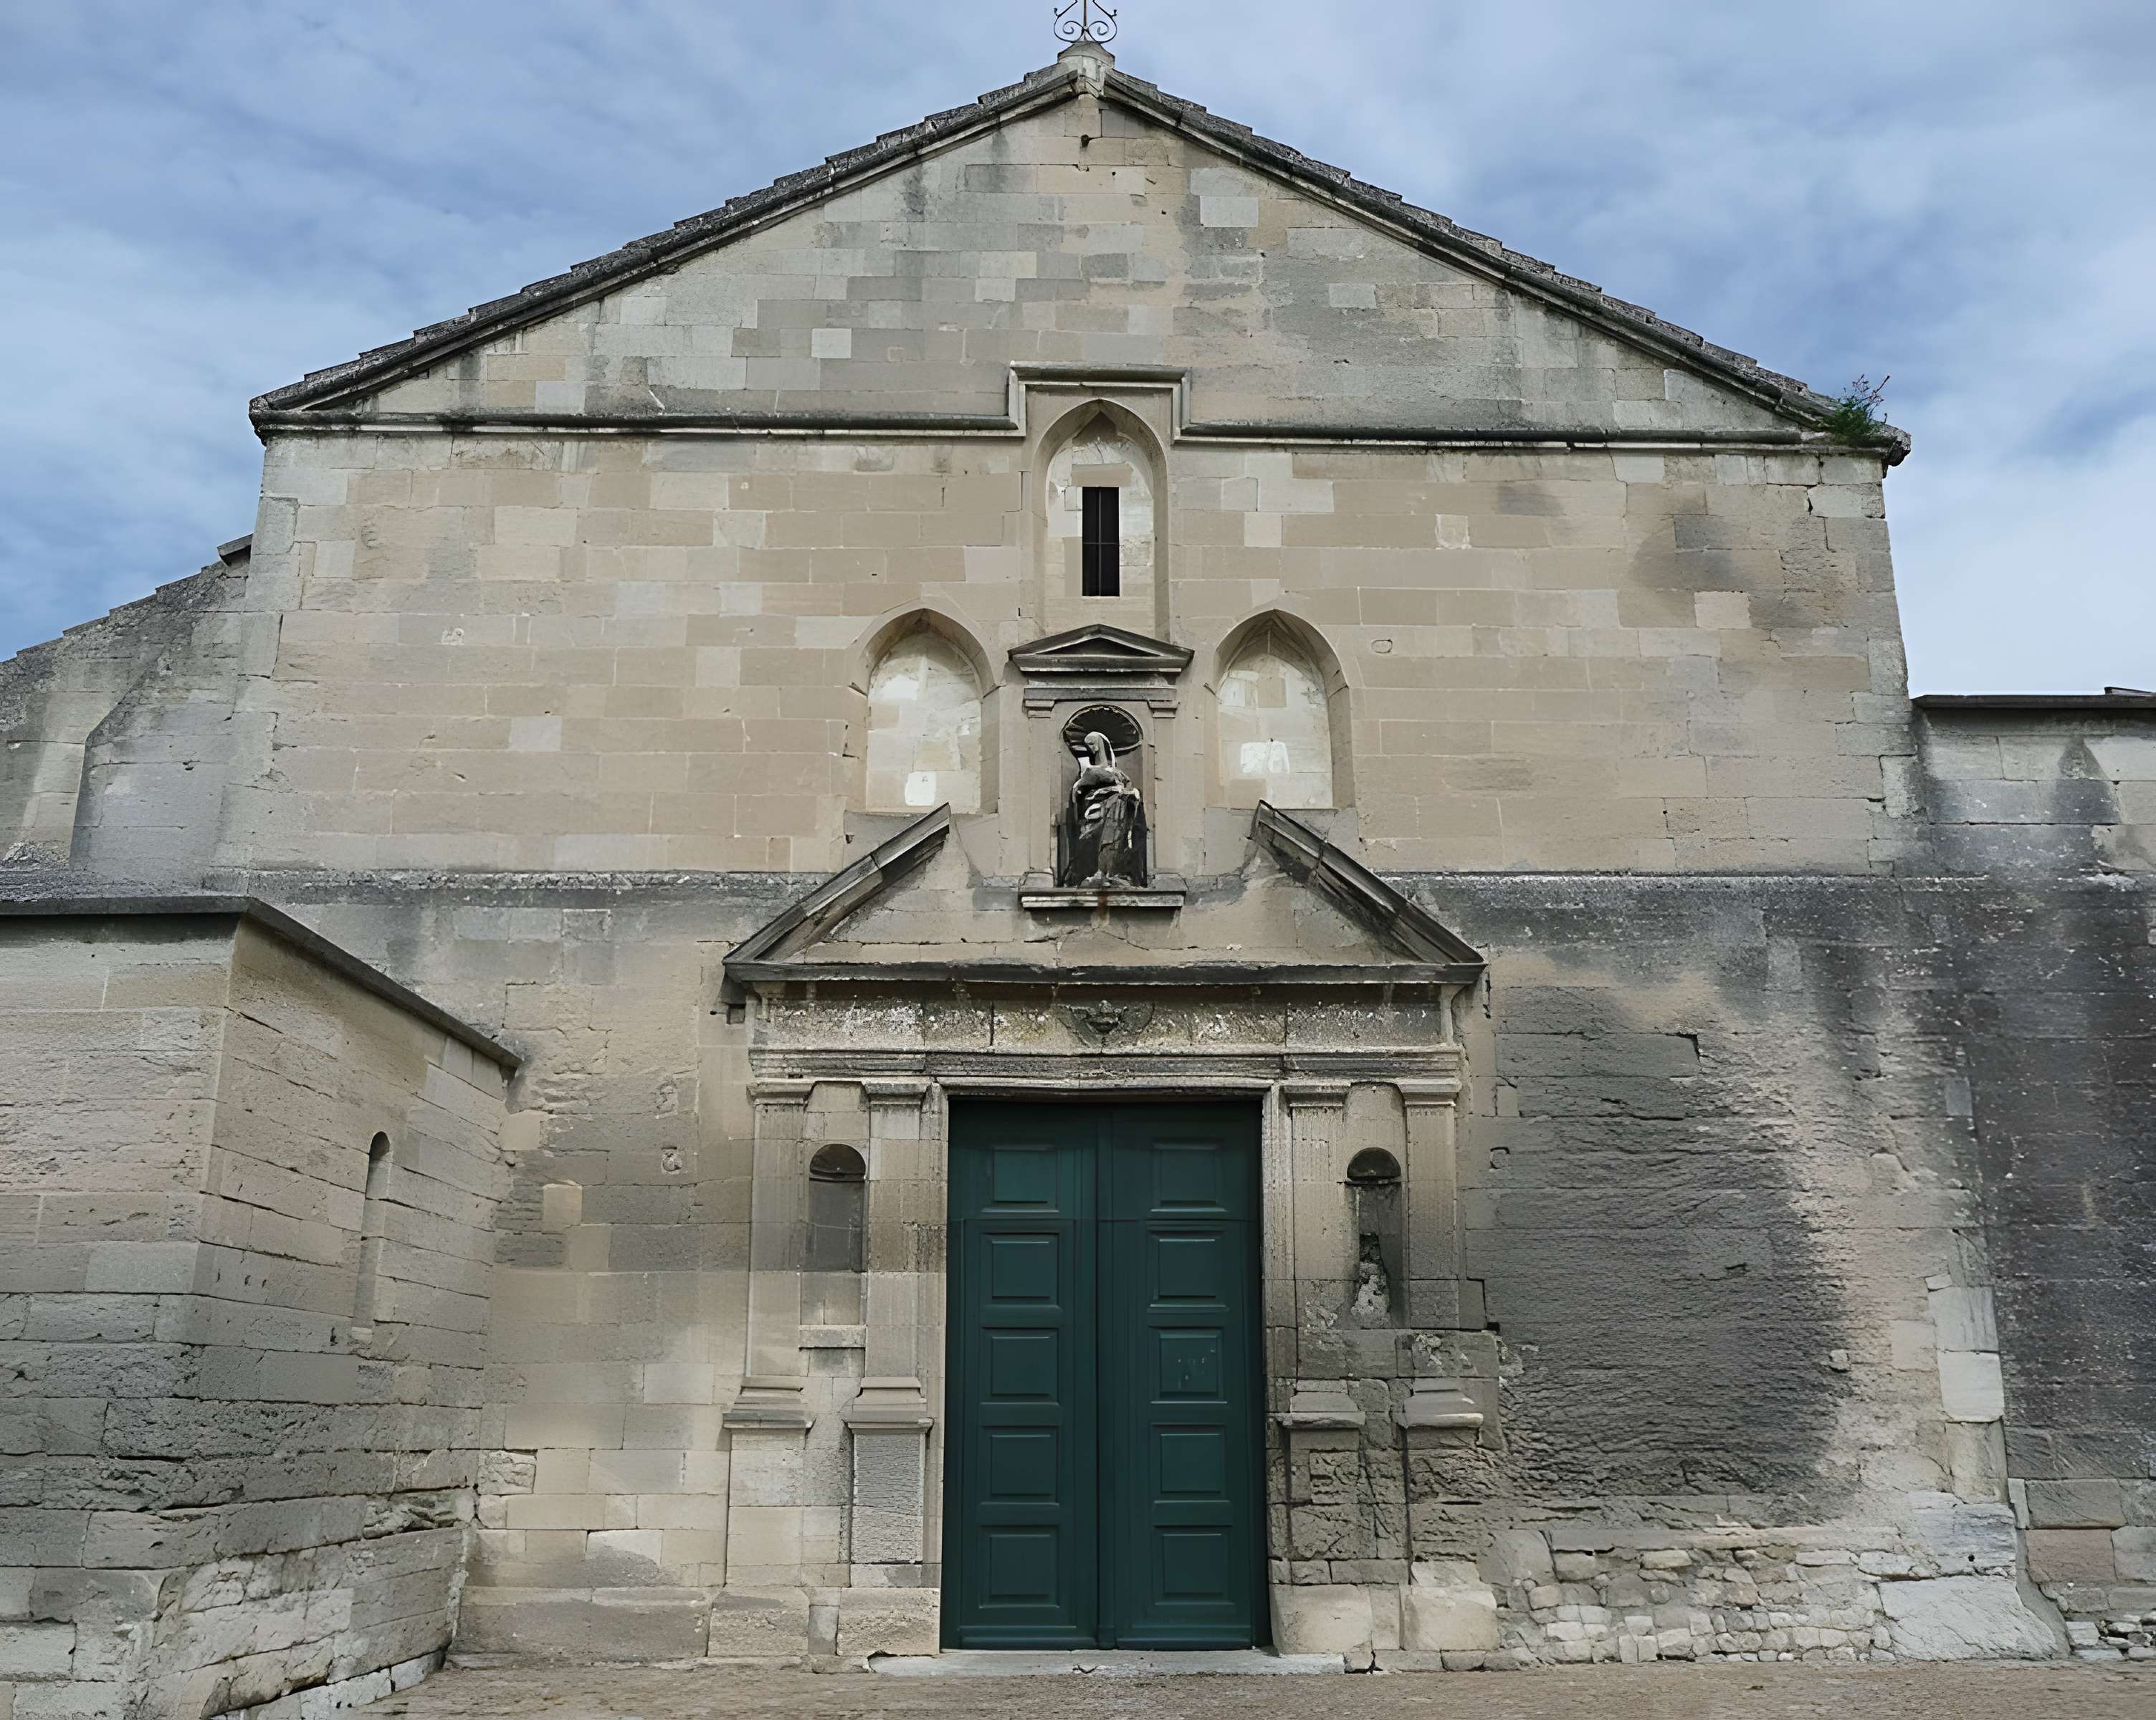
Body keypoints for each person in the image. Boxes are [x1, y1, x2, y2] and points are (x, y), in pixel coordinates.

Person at [1067, 731, 1144, 886]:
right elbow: (1078, 792)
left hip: (1117, 810)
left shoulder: (1117, 773)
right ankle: (1102, 872)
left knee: (1118, 816)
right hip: (1097, 810)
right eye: (1089, 745)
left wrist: (1131, 793)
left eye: (1094, 744)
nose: (1093, 749)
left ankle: (1111, 872)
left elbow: (1130, 788)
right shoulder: (1089, 772)